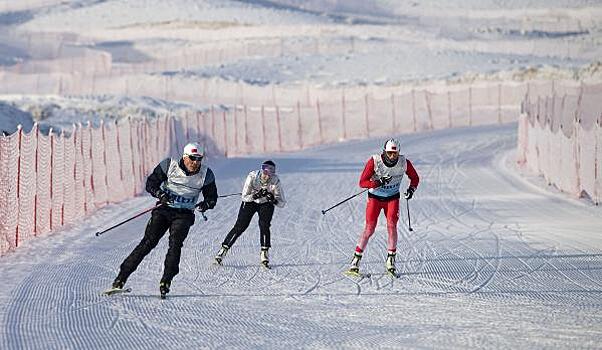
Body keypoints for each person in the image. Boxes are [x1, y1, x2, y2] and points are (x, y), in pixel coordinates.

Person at [109, 142, 218, 298]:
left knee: (175, 244)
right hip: (164, 210)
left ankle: (166, 281)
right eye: (193, 158)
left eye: (199, 159)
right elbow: (150, 183)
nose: (196, 163)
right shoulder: (169, 165)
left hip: (184, 214)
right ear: (185, 157)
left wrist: (206, 204)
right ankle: (121, 278)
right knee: (148, 242)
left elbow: (212, 198)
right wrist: (160, 194)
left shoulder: (206, 174)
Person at [347, 138, 419, 277]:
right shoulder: (374, 161)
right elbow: (362, 182)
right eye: (389, 153)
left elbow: (415, 178)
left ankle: (391, 261)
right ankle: (356, 260)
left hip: (392, 198)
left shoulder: (404, 163)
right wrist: (377, 182)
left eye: (395, 154)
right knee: (369, 228)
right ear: (384, 152)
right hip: (375, 198)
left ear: (398, 153)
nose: (392, 156)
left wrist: (411, 189)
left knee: (392, 225)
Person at [214, 160, 286, 269]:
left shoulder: (275, 181)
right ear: (262, 170)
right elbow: (244, 196)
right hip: (250, 202)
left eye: (271, 172)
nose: (267, 175)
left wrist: (273, 200)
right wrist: (256, 195)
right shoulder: (253, 176)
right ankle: (223, 250)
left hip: (266, 203)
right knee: (240, 226)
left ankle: (264, 253)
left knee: (264, 225)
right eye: (265, 171)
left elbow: (282, 203)